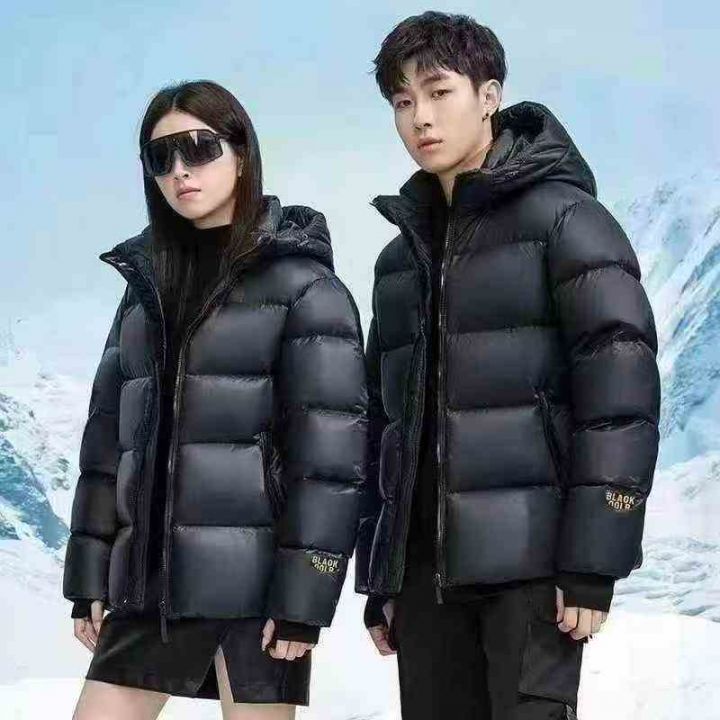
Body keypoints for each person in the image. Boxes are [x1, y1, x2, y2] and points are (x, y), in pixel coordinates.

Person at [355, 12, 661, 720]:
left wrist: (593, 560)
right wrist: (383, 573)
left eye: (439, 92)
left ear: (489, 95)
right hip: (426, 577)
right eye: (402, 101)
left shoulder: (567, 221)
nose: (420, 117)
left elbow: (620, 396)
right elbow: (384, 425)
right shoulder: (399, 260)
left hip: (532, 566)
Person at [63, 79, 368, 719]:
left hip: (254, 590)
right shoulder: (144, 291)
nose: (180, 170)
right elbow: (106, 442)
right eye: (161, 157)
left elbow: (331, 462)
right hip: (148, 585)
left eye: (199, 148)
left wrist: (304, 599)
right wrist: (89, 575)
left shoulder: (305, 287)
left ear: (242, 153)